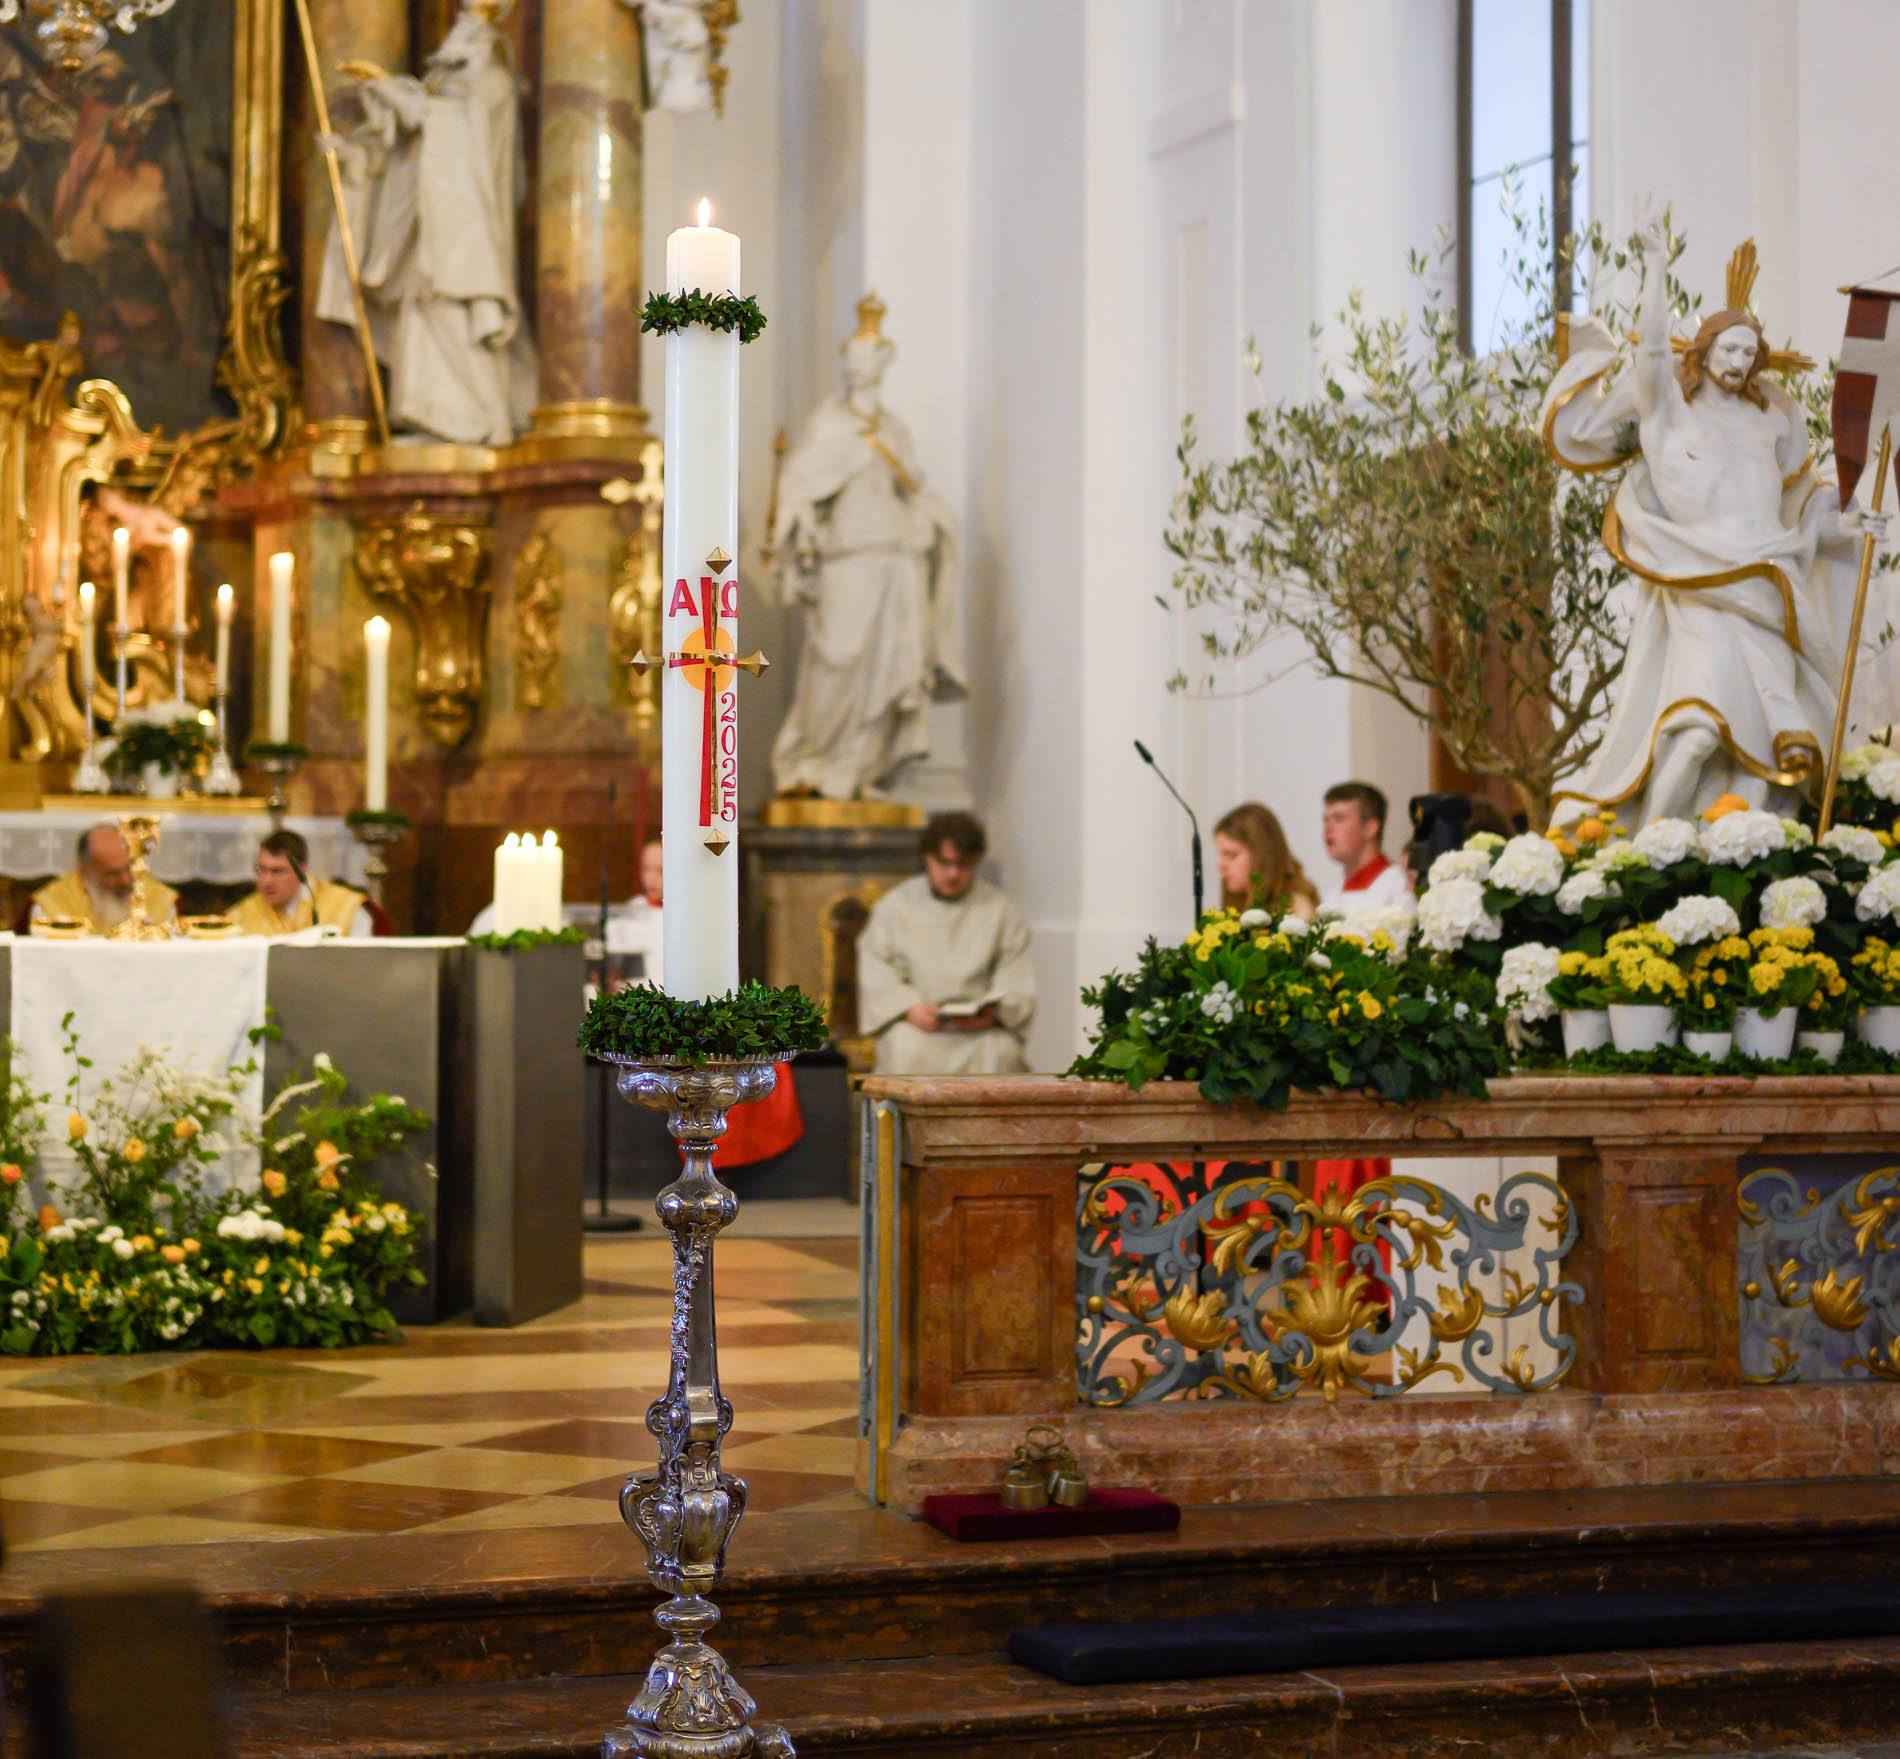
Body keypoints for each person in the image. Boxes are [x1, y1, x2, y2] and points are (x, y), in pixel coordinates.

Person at [1542, 217, 1885, 825]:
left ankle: (1745, 856)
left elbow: (1805, 514)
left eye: (1750, 354)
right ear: (1702, 350)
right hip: (1700, 583)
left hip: (1769, 587)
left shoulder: (1769, 425)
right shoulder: (1668, 417)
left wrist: (1861, 523)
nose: (1740, 361)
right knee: (1694, 733)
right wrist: (1656, 268)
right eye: (1729, 348)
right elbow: (1650, 351)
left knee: (1780, 764)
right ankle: (1648, 860)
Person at [766, 293, 965, 799]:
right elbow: (797, 485)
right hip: (847, 561)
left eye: (867, 362)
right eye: (851, 362)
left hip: (896, 561)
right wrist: (801, 521)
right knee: (837, 661)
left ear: (881, 365)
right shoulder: (828, 425)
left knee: (890, 665)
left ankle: (859, 769)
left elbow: (914, 491)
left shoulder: (895, 431)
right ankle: (815, 758)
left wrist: (928, 524)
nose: (858, 371)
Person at [316, 1, 535, 446]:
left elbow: (457, 134)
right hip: (429, 225)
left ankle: (481, 419)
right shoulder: (447, 87)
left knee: (456, 314)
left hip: (464, 225)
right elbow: (413, 145)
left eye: (470, 22)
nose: (458, 29)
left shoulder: (492, 83)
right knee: (421, 316)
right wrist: (359, 148)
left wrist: (407, 101)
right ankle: (434, 417)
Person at [857, 811, 1035, 1074]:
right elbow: (877, 970)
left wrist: (992, 1013)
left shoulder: (1000, 910)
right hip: (918, 1025)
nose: (953, 874)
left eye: (963, 864)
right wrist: (909, 1008)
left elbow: (1015, 976)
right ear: (927, 858)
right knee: (904, 1049)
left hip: (979, 1032)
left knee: (1002, 1052)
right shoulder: (895, 906)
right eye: (944, 862)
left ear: (976, 861)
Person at [32, 824, 175, 934]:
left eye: (129, 867)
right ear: (85, 871)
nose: (125, 880)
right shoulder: (51, 907)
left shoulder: (160, 900)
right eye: (112, 874)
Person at [232, 831, 372, 938]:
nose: (266, 881)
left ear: (302, 870)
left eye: (277, 871)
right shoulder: (241, 916)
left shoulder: (346, 907)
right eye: (261, 870)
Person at [1213, 802, 1318, 917]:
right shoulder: (1238, 903)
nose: (1221, 865)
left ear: (1261, 855)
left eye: (1232, 855)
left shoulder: (1294, 908)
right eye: (1221, 855)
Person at [1320, 782, 1409, 910]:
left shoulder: (1400, 887)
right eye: (1326, 820)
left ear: (1370, 828)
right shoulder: (1329, 898)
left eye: (1339, 818)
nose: (1328, 828)